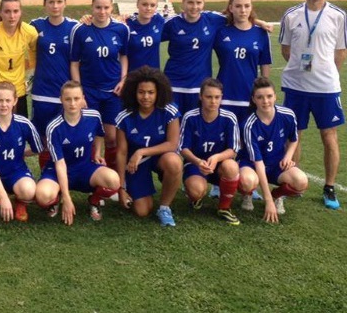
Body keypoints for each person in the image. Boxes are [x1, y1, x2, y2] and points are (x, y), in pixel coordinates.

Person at [279, 0, 346, 210]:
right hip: (296, 87)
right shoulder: (291, 14)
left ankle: (329, 186)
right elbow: (286, 50)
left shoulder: (338, 16)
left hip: (326, 88)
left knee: (329, 137)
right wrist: (300, 69)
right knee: (293, 136)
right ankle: (292, 181)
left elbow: (340, 53)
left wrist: (326, 73)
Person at [210, 0, 272, 201]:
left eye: (247, 6)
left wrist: (263, 96)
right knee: (223, 140)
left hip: (248, 97)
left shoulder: (260, 33)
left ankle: (249, 183)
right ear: (231, 8)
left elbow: (265, 67)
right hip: (225, 95)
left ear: (251, 7)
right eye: (238, 6)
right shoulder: (221, 31)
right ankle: (219, 183)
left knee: (247, 140)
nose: (242, 10)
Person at [35, 81, 120, 225]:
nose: (72, 103)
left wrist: (98, 153)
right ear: (61, 100)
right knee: (42, 196)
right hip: (57, 171)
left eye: (76, 98)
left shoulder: (93, 116)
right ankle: (56, 198)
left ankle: (94, 201)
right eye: (68, 99)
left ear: (83, 98)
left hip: (85, 168)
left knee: (114, 180)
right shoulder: (54, 127)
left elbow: (100, 134)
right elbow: (60, 164)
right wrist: (67, 199)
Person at [115, 67, 183, 226]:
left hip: (160, 157)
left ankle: (165, 207)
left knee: (174, 162)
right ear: (133, 92)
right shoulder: (124, 116)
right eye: (141, 92)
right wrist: (121, 188)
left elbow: (173, 144)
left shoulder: (169, 110)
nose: (146, 97)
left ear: (158, 92)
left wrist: (142, 151)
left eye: (151, 92)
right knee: (142, 211)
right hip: (135, 164)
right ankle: (141, 189)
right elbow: (121, 153)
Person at [71, 0, 129, 171]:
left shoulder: (121, 29)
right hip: (89, 90)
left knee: (111, 136)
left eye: (106, 7)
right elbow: (74, 63)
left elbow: (124, 56)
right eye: (98, 7)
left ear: (112, 7)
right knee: (90, 134)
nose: (102, 12)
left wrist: (124, 79)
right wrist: (79, 93)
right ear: (92, 7)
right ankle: (92, 176)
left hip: (113, 91)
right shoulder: (80, 30)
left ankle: (110, 178)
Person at [238, 77, 308, 223]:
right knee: (247, 181)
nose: (265, 101)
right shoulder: (249, 125)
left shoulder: (288, 115)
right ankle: (248, 194)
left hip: (277, 164)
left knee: (301, 182)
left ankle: (277, 195)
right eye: (260, 97)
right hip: (253, 165)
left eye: (269, 96)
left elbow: (294, 140)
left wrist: (288, 156)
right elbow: (258, 163)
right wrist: (267, 202)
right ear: (253, 99)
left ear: (275, 96)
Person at [0, 81, 42, 222]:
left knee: (29, 190)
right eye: (0, 100)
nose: (4, 104)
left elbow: (38, 149)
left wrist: (23, 154)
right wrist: (3, 197)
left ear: (15, 101)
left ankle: (20, 203)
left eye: (8, 100)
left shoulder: (24, 124)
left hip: (16, 172)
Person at [179, 79, 241, 225]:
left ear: (221, 97)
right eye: (208, 97)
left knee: (231, 166)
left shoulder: (229, 118)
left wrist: (217, 157)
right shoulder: (190, 117)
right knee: (196, 191)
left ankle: (224, 207)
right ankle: (196, 197)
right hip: (196, 164)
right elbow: (183, 148)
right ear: (201, 97)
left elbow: (233, 150)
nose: (213, 101)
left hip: (219, 165)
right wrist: (198, 161)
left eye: (217, 97)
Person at [29, 0, 78, 169]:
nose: (55, 6)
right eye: (51, 2)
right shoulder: (36, 25)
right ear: (44, 5)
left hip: (65, 95)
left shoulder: (74, 27)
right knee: (43, 138)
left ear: (65, 3)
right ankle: (46, 176)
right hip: (41, 93)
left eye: (59, 2)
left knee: (66, 136)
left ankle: (70, 175)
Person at [126, 0, 165, 72]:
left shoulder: (159, 20)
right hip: (133, 76)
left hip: (154, 76)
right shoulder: (127, 24)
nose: (148, 8)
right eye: (144, 4)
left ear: (156, 7)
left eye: (152, 5)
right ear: (137, 4)